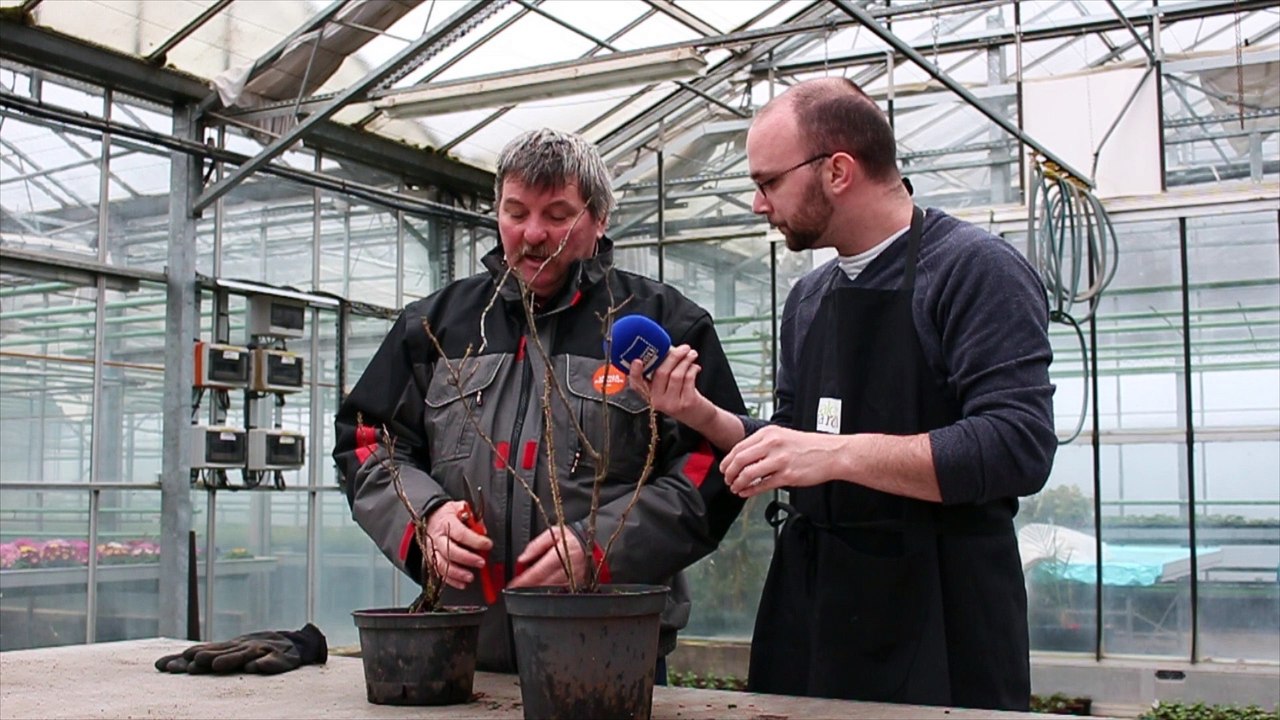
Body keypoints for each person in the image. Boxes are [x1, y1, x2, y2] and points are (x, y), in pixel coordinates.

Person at [629, 78, 1057, 710]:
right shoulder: (810, 296)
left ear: (837, 171)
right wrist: (697, 412)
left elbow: (1017, 445)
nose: (756, 203)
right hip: (819, 605)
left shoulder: (974, 269)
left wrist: (835, 455)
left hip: (940, 612)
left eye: (769, 181)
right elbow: (790, 440)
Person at [332, 128, 748, 677]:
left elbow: (715, 463)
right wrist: (424, 517)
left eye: (558, 215)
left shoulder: (664, 325)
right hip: (461, 647)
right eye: (516, 211)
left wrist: (601, 547)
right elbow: (367, 441)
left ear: (598, 220)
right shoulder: (436, 327)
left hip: (610, 653)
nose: (533, 233)